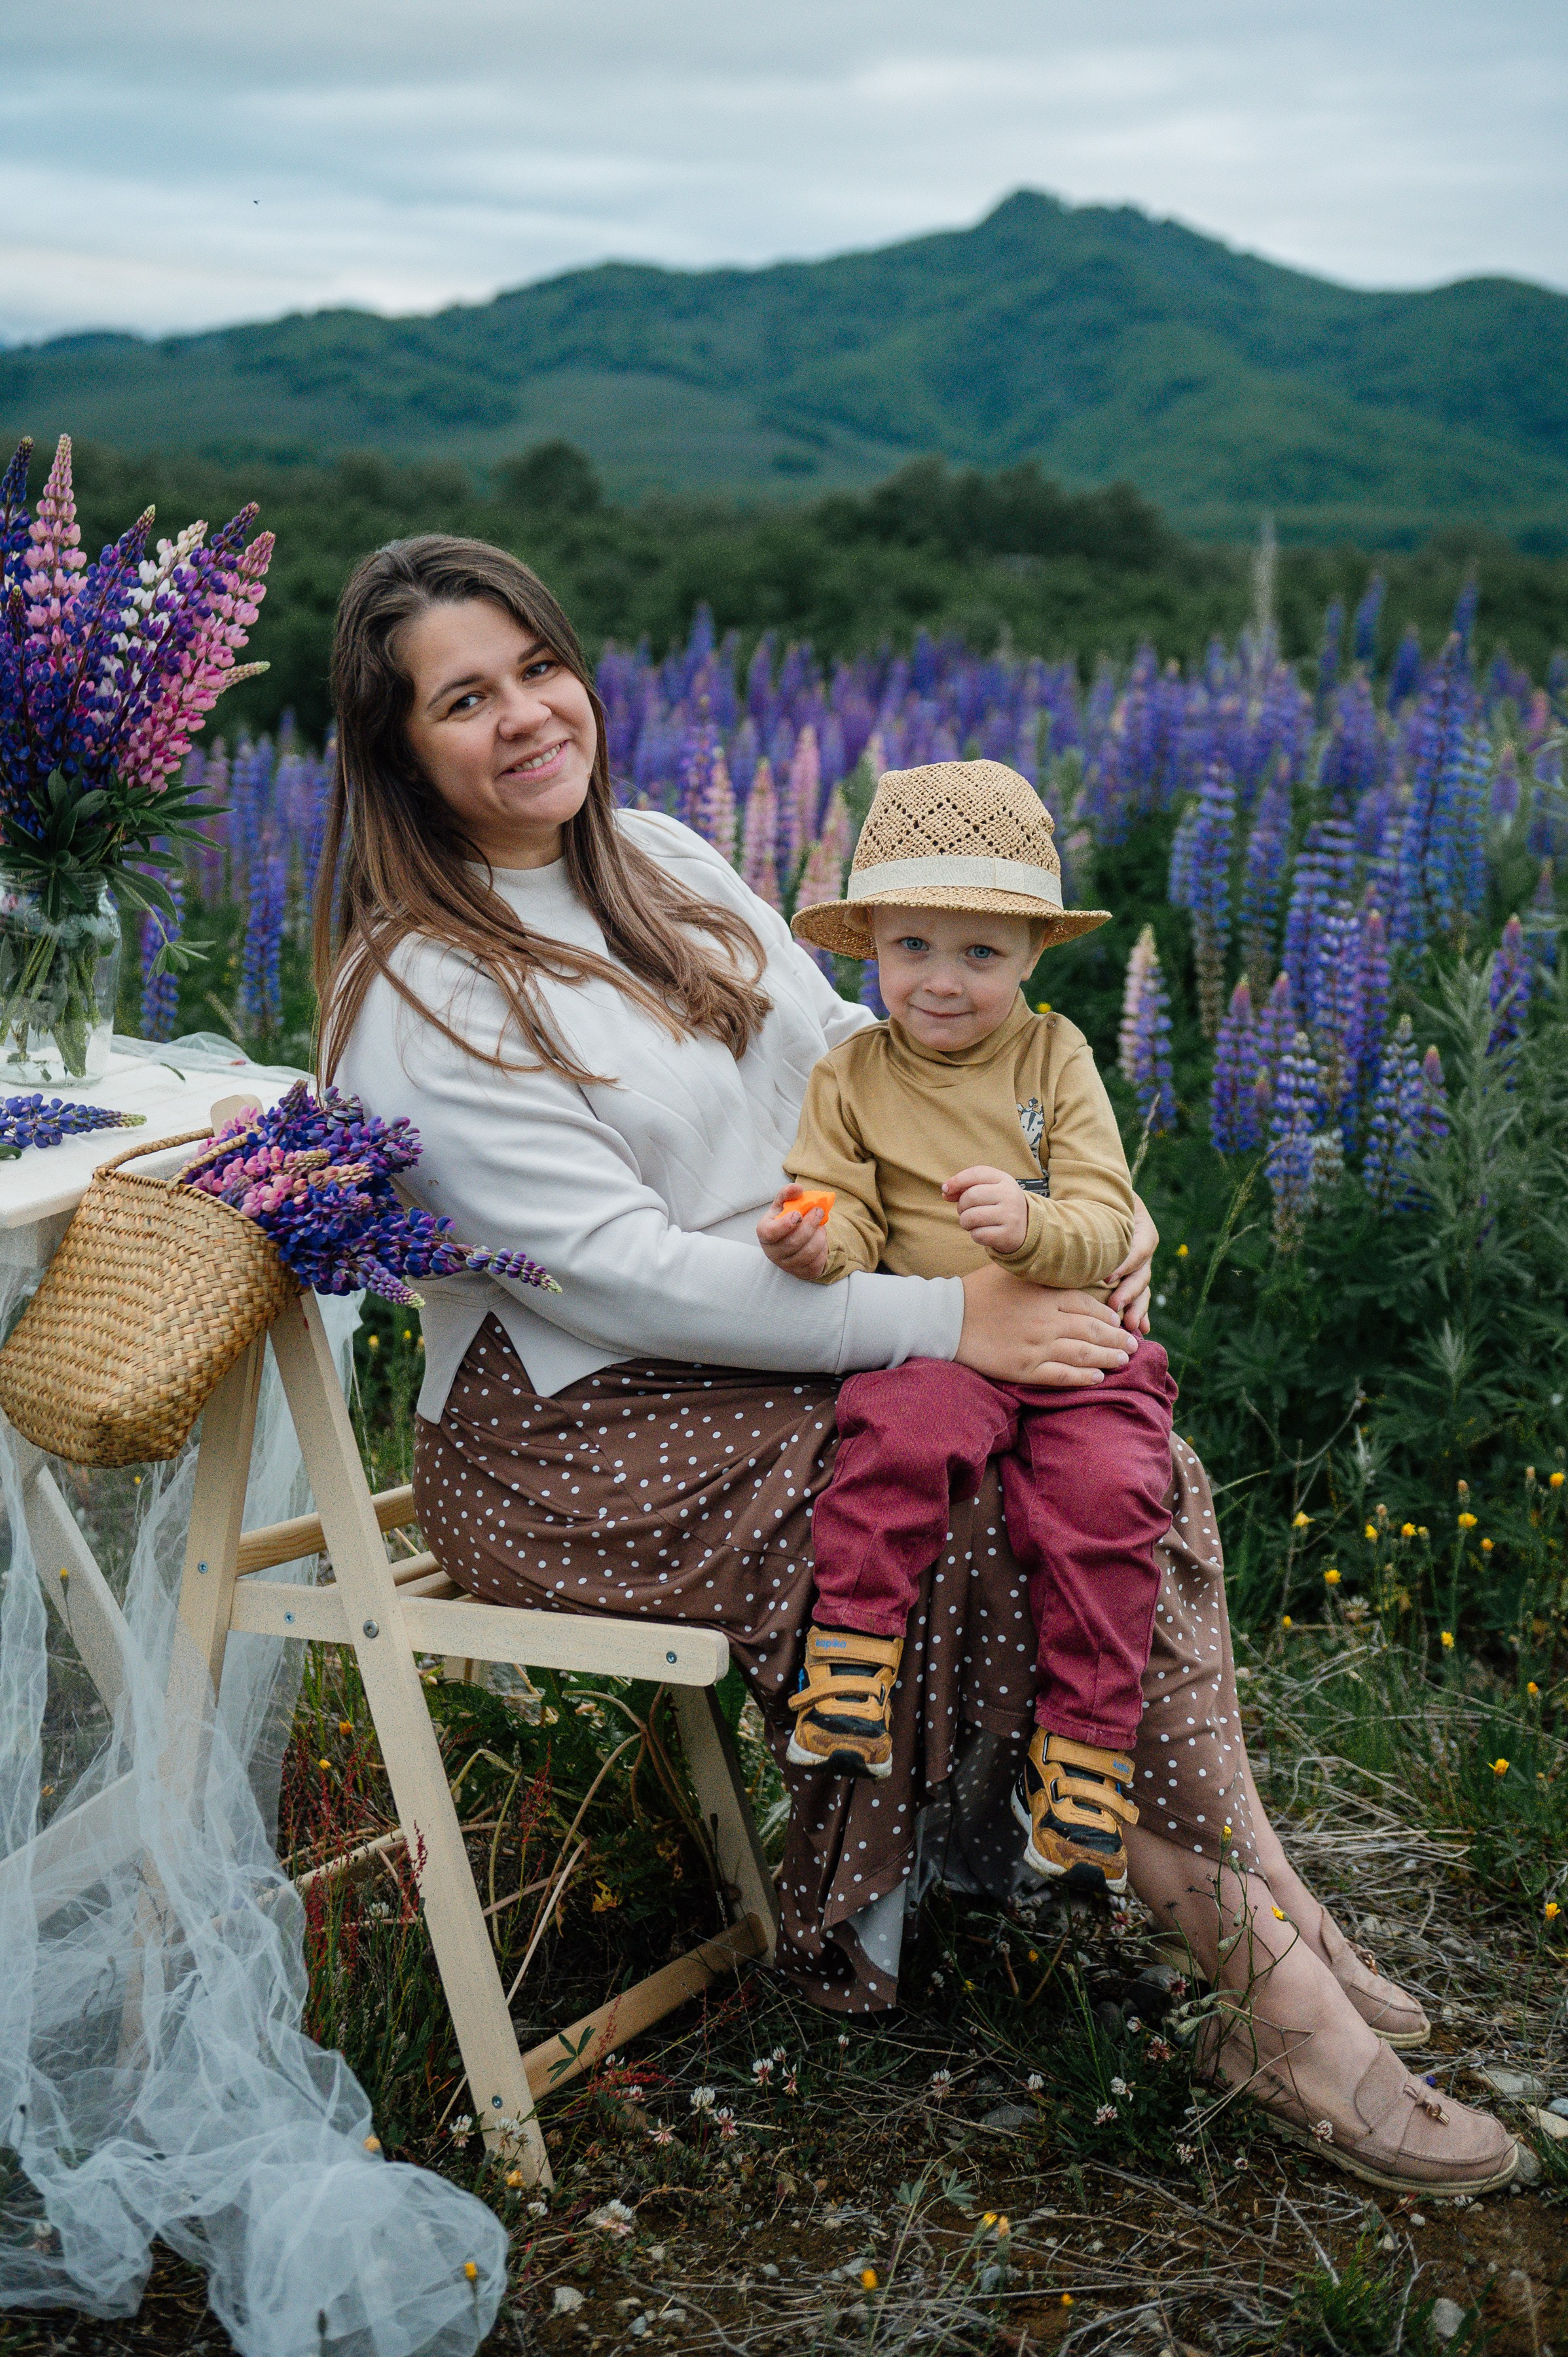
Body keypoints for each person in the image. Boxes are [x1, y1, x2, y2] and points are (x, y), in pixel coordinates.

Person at [315, 532, 1516, 2198]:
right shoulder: (423, 986)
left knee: (1111, 1446)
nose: (526, 716)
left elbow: (861, 1069)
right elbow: (632, 1281)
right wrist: (959, 1320)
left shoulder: (657, 857)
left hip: (791, 1340)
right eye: (464, 698)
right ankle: (1267, 1993)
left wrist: (1070, 1232)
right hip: (575, 1429)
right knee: (980, 1508)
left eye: (537, 665)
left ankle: (1257, 1896)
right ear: (397, 750)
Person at [757, 760, 1174, 1904]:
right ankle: (851, 1661)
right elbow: (831, 1202)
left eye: (981, 954)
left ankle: (1087, 1755)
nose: (943, 983)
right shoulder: (849, 1075)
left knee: (1114, 1495)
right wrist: (808, 1240)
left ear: (1034, 955)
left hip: (1078, 1345)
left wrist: (1034, 1226)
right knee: (893, 1430)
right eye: (913, 950)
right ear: (871, 948)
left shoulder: (1058, 1057)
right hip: (943, 1344)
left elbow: (1109, 1218)